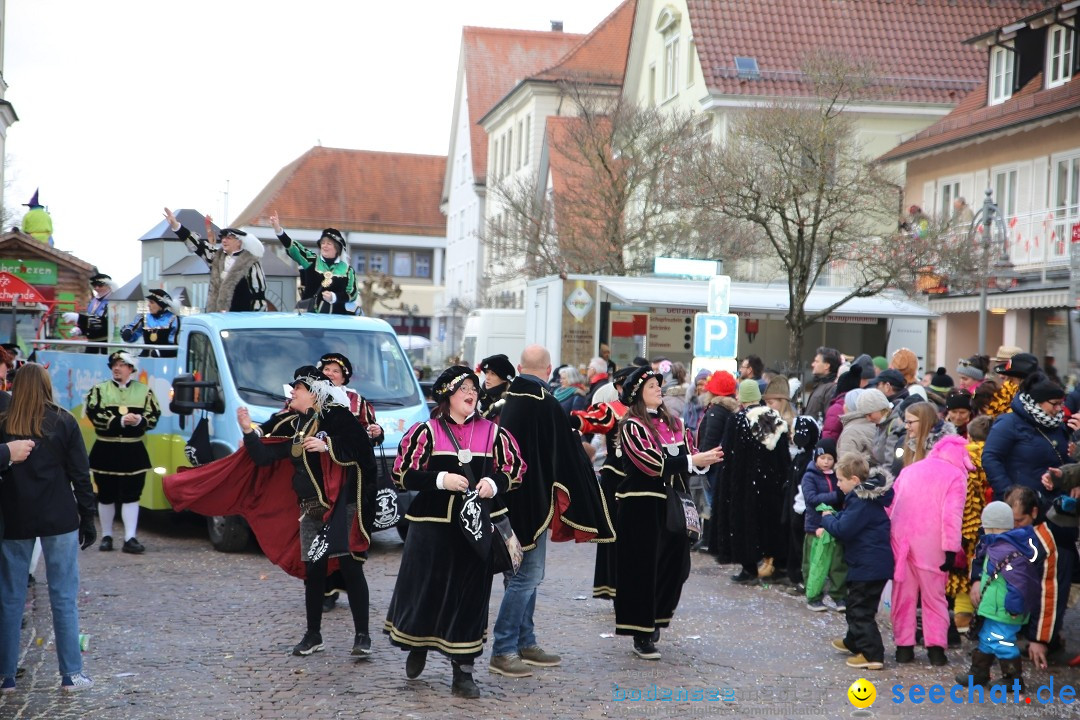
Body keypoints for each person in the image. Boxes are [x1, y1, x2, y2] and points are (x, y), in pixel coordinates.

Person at [384, 366, 524, 698]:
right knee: (426, 592)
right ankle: (419, 642)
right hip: (431, 529)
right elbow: (402, 473)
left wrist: (494, 482)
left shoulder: (493, 432)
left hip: (475, 530)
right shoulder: (427, 431)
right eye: (464, 388)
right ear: (448, 394)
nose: (472, 392)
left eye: (475, 387)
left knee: (472, 598)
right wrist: (438, 479)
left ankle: (463, 671)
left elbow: (516, 469)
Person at [490, 345, 615, 677]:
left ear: (519, 366)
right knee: (526, 576)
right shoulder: (544, 402)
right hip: (534, 502)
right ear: (547, 370)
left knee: (517, 575)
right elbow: (569, 451)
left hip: (506, 499)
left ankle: (525, 641)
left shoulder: (508, 398)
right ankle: (503, 648)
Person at [240, 366, 376, 659]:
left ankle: (362, 636)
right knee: (314, 572)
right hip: (312, 508)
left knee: (351, 567)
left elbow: (361, 450)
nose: (292, 394)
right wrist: (248, 431)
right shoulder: (299, 423)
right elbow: (266, 456)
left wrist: (328, 445)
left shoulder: (339, 416)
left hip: (343, 506)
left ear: (313, 393)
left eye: (297, 390)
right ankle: (313, 634)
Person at [614, 366, 722, 659]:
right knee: (643, 569)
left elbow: (690, 455)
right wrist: (692, 459)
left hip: (672, 504)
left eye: (658, 387)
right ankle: (641, 630)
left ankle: (656, 617)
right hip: (641, 507)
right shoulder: (632, 426)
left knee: (676, 566)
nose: (659, 391)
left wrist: (703, 461)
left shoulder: (674, 424)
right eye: (652, 387)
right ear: (638, 395)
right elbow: (651, 464)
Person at [0, 364, 95, 692]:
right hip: (59, 517)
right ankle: (71, 673)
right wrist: (89, 516)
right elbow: (80, 474)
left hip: (16, 516)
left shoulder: (4, 423)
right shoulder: (64, 421)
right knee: (63, 596)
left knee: (10, 597)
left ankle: (5, 675)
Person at [889, 434, 969, 666]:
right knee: (934, 597)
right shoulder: (955, 476)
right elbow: (951, 516)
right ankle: (936, 649)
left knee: (902, 595)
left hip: (901, 539)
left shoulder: (912, 469)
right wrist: (951, 548)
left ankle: (903, 647)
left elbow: (893, 504)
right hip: (932, 543)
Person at [315, 352, 381, 612]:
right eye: (326, 369)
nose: (330, 373)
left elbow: (369, 430)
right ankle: (324, 591)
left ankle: (349, 585)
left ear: (344, 376)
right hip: (321, 475)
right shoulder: (313, 396)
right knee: (321, 532)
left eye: (335, 370)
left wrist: (377, 432)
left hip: (352, 477)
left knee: (348, 532)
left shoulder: (357, 401)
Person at [955, 501, 1043, 691]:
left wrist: (1014, 606)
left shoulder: (1007, 550)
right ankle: (979, 672)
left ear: (991, 527)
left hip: (1005, 609)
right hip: (995, 608)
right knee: (987, 638)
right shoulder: (998, 546)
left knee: (1002, 641)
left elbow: (1019, 583)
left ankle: (1012, 679)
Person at [821, 453, 894, 671]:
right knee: (857, 604)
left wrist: (827, 519)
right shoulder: (863, 499)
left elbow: (844, 529)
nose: (838, 485)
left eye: (841, 480)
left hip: (868, 566)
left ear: (854, 480)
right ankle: (854, 641)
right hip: (869, 564)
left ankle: (872, 654)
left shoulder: (861, 501)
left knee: (859, 608)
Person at [85, 351, 161, 554]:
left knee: (132, 495)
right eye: (114, 365)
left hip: (133, 449)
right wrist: (118, 421)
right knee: (105, 494)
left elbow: (153, 415)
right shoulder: (99, 390)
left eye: (121, 364)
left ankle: (130, 538)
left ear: (131, 369)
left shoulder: (144, 391)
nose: (116, 368)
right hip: (106, 449)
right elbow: (94, 413)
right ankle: (106, 536)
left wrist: (139, 421)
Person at [724, 379, 789, 583]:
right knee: (771, 521)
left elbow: (729, 452)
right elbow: (783, 454)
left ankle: (749, 568)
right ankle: (777, 567)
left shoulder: (737, 420)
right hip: (771, 482)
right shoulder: (772, 417)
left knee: (747, 522)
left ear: (741, 397)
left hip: (744, 482)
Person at [570, 382, 626, 599]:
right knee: (615, 535)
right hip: (616, 481)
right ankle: (614, 587)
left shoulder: (658, 413)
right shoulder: (612, 410)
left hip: (648, 485)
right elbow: (587, 420)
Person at [164, 207, 267, 312]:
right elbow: (197, 245)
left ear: (239, 242)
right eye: (222, 238)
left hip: (240, 320)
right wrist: (176, 226)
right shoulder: (216, 257)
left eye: (229, 238)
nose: (224, 240)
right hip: (216, 318)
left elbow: (258, 295)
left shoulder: (250, 262)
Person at [948, 414, 993, 636]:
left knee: (962, 568)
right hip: (993, 519)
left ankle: (962, 613)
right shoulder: (996, 457)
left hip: (966, 521)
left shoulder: (962, 457)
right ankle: (984, 613)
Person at [271, 214, 357, 314]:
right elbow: (295, 248)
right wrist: (279, 231)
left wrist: (334, 297)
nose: (324, 246)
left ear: (337, 248)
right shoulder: (312, 260)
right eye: (323, 243)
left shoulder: (347, 270)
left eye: (329, 243)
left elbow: (352, 294)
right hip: (311, 318)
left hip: (336, 321)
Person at [801, 439, 847, 612]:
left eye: (829, 458)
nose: (826, 461)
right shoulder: (810, 476)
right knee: (814, 562)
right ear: (816, 458)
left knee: (837, 563)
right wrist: (836, 496)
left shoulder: (837, 476)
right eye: (822, 458)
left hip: (835, 525)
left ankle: (839, 595)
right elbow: (811, 499)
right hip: (815, 526)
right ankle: (813, 595)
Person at [699, 371, 739, 562]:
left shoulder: (716, 410)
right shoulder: (730, 410)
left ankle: (716, 544)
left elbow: (710, 441)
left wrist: (701, 463)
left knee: (714, 504)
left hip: (712, 466)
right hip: (721, 464)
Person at [63, 272, 114, 353]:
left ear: (109, 285)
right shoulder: (94, 301)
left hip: (105, 344)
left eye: (100, 285)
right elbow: (90, 318)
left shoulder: (113, 300)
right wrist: (81, 329)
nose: (96, 288)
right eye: (94, 285)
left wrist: (78, 318)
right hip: (92, 342)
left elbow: (103, 322)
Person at [120, 288, 180, 357]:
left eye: (151, 302)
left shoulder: (173, 319)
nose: (148, 305)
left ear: (161, 305)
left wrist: (159, 352)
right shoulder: (144, 318)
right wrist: (127, 332)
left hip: (165, 359)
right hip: (146, 358)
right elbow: (133, 331)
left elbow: (175, 345)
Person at [837, 388, 891, 465]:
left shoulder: (850, 432)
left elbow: (847, 467)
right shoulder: (879, 424)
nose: (868, 419)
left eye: (869, 414)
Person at [804, 347, 840, 421]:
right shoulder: (820, 385)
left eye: (816, 361)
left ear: (827, 366)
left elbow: (829, 418)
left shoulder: (832, 388)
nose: (813, 364)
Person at [477, 353, 516, 421]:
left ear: (503, 379)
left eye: (493, 374)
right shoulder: (480, 398)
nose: (487, 377)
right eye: (487, 372)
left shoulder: (509, 404)